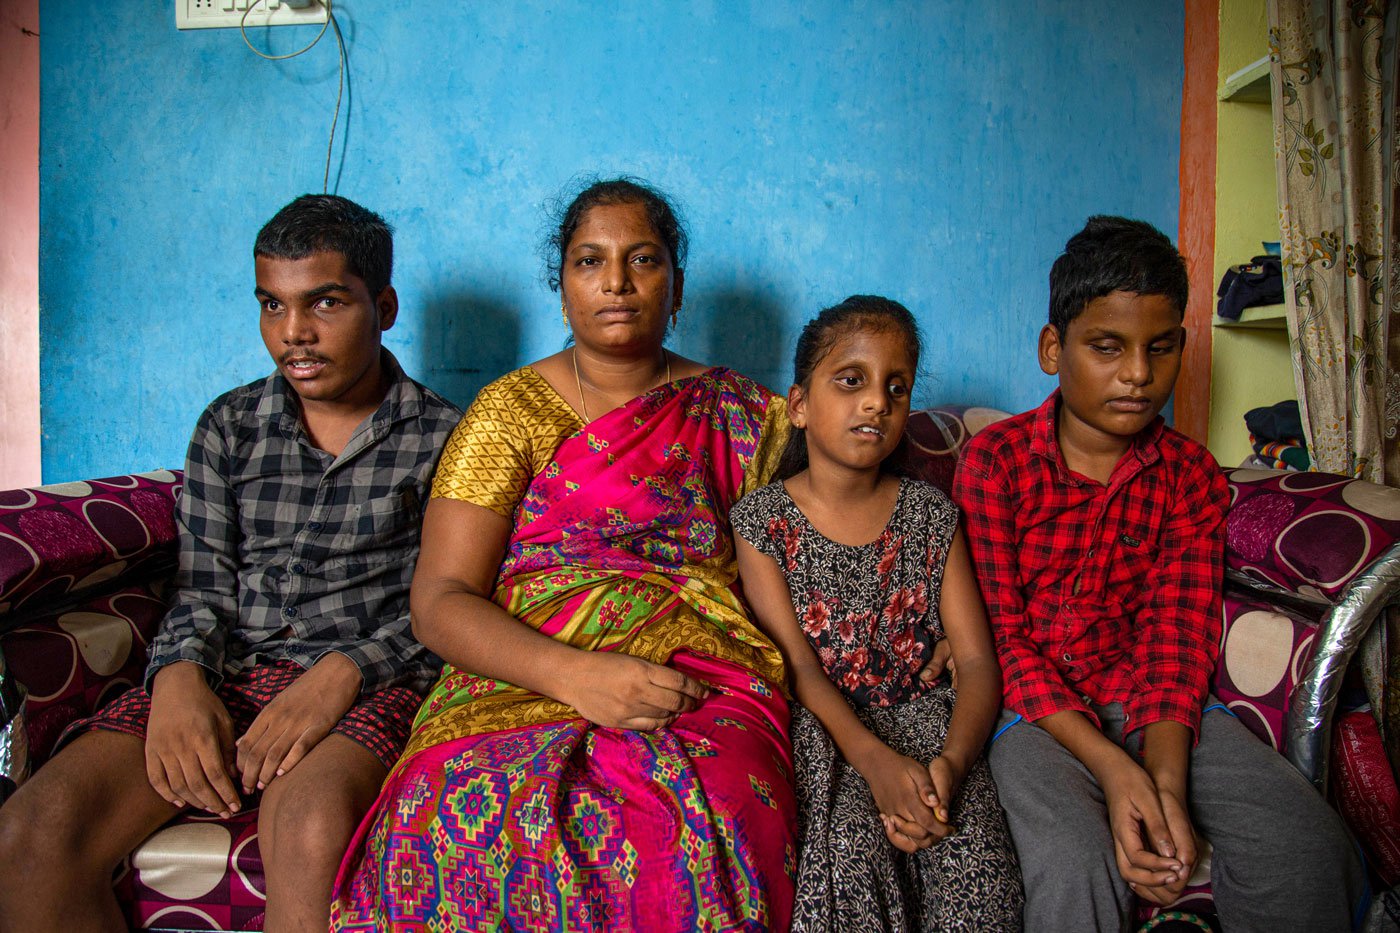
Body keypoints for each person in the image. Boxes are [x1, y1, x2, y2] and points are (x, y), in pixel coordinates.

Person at [330, 178, 798, 931]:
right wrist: (578, 676)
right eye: (590, 261)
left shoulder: (745, 415)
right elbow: (441, 599)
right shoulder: (509, 411)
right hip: (521, 669)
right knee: (448, 809)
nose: (616, 282)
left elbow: (808, 559)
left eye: (642, 259)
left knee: (719, 804)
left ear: (676, 287)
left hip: (694, 675)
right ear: (563, 288)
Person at [0, 194, 461, 932]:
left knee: (309, 829)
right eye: (271, 306)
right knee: (32, 833)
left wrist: (340, 677)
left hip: (368, 684)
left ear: (385, 305)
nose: (294, 334)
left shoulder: (447, 438)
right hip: (229, 671)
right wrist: (180, 676)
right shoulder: (229, 425)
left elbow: (448, 604)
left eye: (326, 303)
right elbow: (202, 585)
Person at [952, 215, 1364, 932]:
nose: (1139, 374)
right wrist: (1117, 774)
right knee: (1075, 858)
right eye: (1107, 347)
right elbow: (1001, 641)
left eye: (1161, 347)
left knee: (1306, 846)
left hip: (1160, 707)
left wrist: (1164, 781)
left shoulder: (1190, 476)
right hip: (1031, 715)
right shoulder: (996, 462)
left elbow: (1176, 634)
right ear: (1054, 348)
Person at [730, 295, 1023, 931]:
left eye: (897, 387)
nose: (876, 402)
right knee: (848, 866)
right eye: (852, 381)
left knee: (979, 882)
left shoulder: (929, 515)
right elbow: (801, 672)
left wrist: (951, 763)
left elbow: (975, 660)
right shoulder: (762, 524)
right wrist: (878, 765)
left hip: (932, 729)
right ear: (800, 405)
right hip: (828, 735)